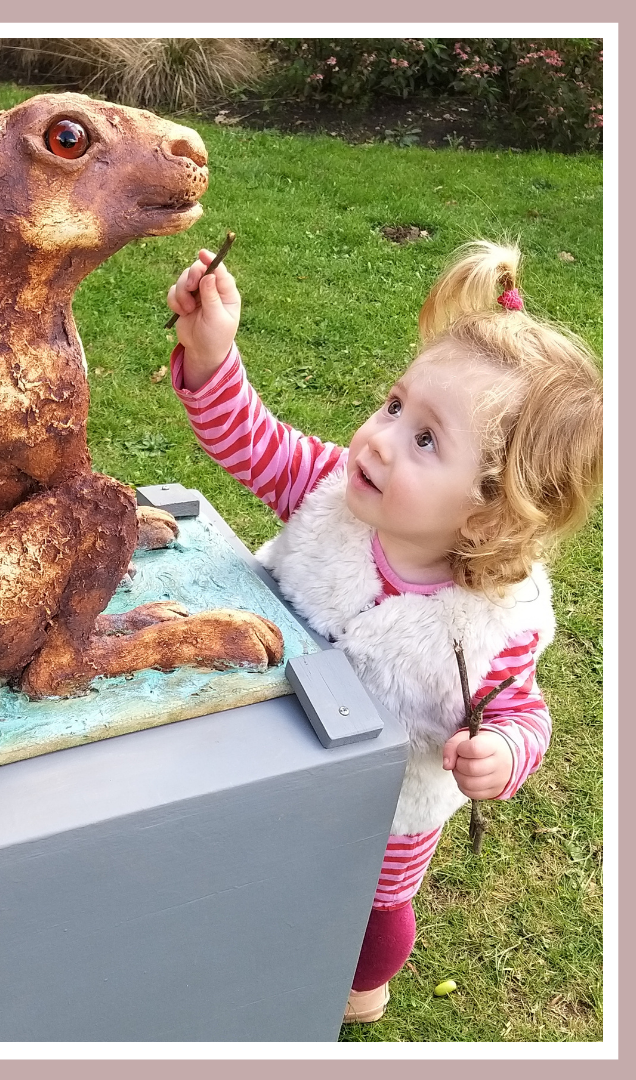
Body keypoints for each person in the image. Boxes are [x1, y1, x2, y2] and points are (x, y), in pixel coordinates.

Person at [164, 239, 603, 1023]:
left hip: (387, 806)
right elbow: (252, 440)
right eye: (396, 406)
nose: (380, 437)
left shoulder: (498, 626)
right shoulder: (331, 490)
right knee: (254, 858)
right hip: (268, 738)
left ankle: (360, 993)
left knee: (374, 911)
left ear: (493, 507)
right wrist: (213, 353)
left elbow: (523, 715)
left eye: (426, 439)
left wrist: (502, 754)